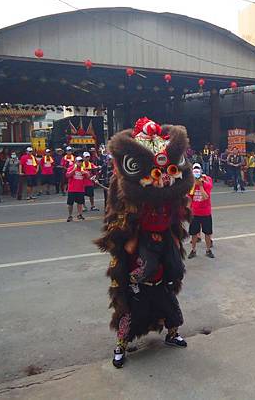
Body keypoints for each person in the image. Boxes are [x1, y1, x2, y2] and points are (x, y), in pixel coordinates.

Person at [95, 117, 191, 368]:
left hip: (162, 263)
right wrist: (132, 242)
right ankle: (121, 347)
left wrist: (171, 238)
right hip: (143, 255)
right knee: (132, 301)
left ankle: (172, 334)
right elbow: (122, 222)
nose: (160, 180)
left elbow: (177, 215)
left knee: (175, 276)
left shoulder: (168, 198)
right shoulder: (134, 203)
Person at [188, 163, 214, 259]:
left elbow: (206, 197)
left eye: (198, 170)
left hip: (205, 212)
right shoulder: (191, 183)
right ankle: (193, 250)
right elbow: (190, 198)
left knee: (207, 232)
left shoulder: (207, 180)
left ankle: (208, 250)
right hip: (195, 213)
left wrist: (201, 185)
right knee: (194, 233)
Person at [65, 156, 88, 221]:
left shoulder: (83, 169)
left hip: (80, 189)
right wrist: (74, 171)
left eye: (81, 162)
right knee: (70, 203)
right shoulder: (71, 168)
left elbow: (89, 177)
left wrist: (86, 173)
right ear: (75, 162)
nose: (80, 163)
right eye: (79, 162)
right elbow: (67, 175)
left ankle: (79, 214)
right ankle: (70, 215)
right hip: (72, 189)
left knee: (80, 203)